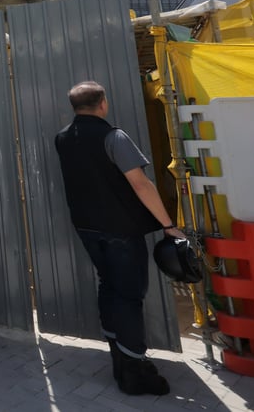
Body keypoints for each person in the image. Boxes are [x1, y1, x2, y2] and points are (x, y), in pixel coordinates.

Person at [54, 81, 183, 396]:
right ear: (102, 104)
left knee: (109, 287)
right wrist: (168, 224)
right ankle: (135, 374)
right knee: (128, 294)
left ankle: (121, 360)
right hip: (120, 230)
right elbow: (140, 184)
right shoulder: (113, 136)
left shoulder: (63, 138)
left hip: (87, 228)